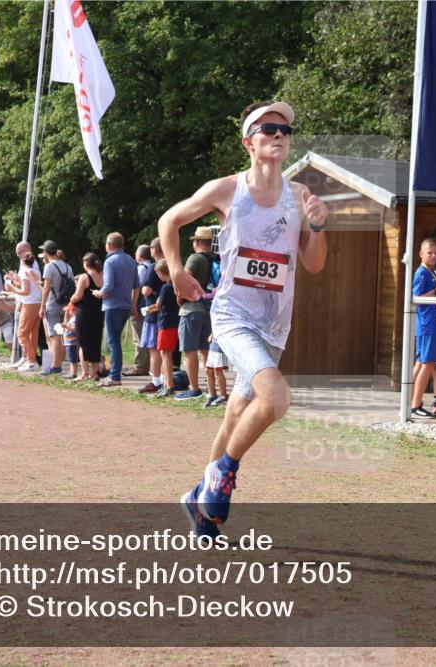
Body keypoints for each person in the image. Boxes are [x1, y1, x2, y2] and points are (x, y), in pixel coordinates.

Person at [159, 100, 328, 536]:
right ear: (248, 142)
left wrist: (319, 228)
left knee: (239, 409)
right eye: (268, 128)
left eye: (285, 130)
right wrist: (177, 270)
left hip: (276, 323)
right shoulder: (227, 189)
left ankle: (199, 501)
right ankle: (221, 478)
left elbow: (313, 265)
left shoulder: (300, 197)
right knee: (276, 399)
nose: (279, 135)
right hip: (234, 316)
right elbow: (169, 220)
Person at [409, 238, 436, 419]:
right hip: (428, 324)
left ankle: (413, 402)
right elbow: (417, 297)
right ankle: (415, 405)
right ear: (421, 254)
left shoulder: (431, 272)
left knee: (422, 363)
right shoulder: (421, 273)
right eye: (430, 252)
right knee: (427, 364)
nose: (433, 256)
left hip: (433, 323)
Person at [174, 226, 219, 401]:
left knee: (190, 350)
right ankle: (212, 390)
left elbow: (183, 279)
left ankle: (194, 388)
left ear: (197, 242)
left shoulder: (195, 258)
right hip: (209, 309)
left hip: (191, 309)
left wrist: (180, 297)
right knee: (206, 351)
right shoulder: (216, 259)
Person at [91, 232, 140, 387]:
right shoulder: (131, 260)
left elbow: (109, 286)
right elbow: (136, 285)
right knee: (116, 341)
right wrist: (133, 303)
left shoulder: (110, 261)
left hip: (113, 305)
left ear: (110, 245)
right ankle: (115, 374)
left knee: (113, 342)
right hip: (126, 305)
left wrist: (98, 293)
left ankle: (114, 376)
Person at [3, 242, 43, 372]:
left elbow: (26, 291)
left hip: (30, 303)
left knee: (22, 333)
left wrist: (12, 288)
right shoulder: (34, 269)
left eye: (19, 253)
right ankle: (29, 360)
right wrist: (16, 280)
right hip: (36, 303)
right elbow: (30, 285)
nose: (18, 254)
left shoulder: (25, 271)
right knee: (32, 333)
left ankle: (31, 361)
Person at [38, 240, 74, 376]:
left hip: (52, 303)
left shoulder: (49, 267)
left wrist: (42, 306)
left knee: (54, 335)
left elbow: (46, 288)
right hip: (65, 303)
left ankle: (55, 366)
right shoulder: (67, 266)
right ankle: (61, 362)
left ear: (46, 252)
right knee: (63, 334)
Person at [69, 252, 105, 382]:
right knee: (95, 341)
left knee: (83, 342)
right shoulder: (103, 276)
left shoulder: (85, 277)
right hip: (99, 312)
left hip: (85, 312)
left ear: (86, 264)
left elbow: (78, 295)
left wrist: (71, 299)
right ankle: (95, 371)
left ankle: (84, 373)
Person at [136, 239, 165, 393]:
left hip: (152, 313)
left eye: (151, 248)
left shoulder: (154, 267)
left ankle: (156, 381)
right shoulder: (171, 264)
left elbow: (146, 290)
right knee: (164, 351)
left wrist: (142, 290)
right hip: (166, 313)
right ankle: (166, 380)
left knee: (154, 349)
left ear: (155, 249)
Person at [148, 259, 179, 397]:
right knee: (166, 353)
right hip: (173, 322)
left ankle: (169, 385)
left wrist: (150, 308)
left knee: (165, 354)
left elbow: (158, 304)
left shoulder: (166, 287)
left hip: (166, 323)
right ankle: (166, 383)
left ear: (161, 273)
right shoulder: (176, 285)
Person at [123, 244, 154, 377]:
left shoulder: (140, 269)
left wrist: (132, 305)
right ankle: (145, 366)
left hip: (139, 306)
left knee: (139, 337)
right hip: (148, 306)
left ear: (140, 256)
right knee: (145, 336)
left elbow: (135, 288)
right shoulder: (151, 267)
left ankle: (139, 367)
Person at [203, 334, 229, 408]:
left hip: (221, 343)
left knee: (218, 371)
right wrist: (211, 333)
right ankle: (212, 395)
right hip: (213, 344)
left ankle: (223, 396)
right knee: (208, 370)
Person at [59, 305, 80, 379]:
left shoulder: (75, 319)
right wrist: (66, 315)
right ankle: (71, 373)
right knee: (71, 359)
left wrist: (66, 327)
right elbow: (66, 323)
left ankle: (74, 373)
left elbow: (75, 329)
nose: (67, 312)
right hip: (69, 342)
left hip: (73, 342)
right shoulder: (71, 318)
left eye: (68, 311)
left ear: (73, 311)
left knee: (73, 359)